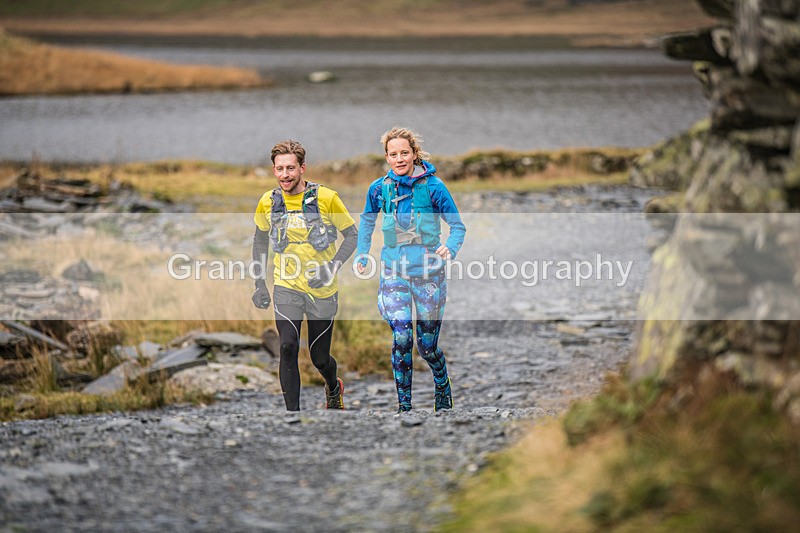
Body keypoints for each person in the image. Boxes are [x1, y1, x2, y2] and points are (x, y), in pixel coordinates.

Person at [356, 127, 466, 413]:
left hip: (430, 273)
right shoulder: (379, 188)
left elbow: (457, 227)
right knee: (402, 335)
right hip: (394, 270)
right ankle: (404, 407)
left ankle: (442, 383)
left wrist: (450, 248)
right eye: (393, 154)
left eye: (404, 152)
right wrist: (363, 253)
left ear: (415, 154)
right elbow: (367, 222)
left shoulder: (434, 187)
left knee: (426, 347)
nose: (399, 158)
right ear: (387, 157)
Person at [252, 140, 358, 411]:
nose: (285, 175)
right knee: (287, 346)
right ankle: (293, 417)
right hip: (286, 286)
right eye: (279, 169)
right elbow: (260, 243)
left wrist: (331, 268)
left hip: (322, 289)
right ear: (273, 171)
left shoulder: (326, 198)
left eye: (290, 168)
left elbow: (352, 236)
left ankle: (333, 386)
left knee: (319, 358)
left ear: (302, 168)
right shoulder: (268, 202)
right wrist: (259, 283)